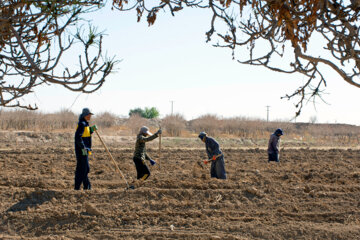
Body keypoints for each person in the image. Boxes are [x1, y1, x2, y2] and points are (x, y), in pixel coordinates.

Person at [74, 108, 97, 190]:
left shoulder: (86, 124)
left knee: (84, 168)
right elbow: (77, 137)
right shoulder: (82, 124)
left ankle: (85, 186)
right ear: (84, 115)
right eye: (88, 115)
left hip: (85, 149)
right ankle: (82, 187)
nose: (90, 116)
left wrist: (91, 130)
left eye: (90, 115)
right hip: (82, 150)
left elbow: (85, 134)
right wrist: (84, 148)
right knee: (83, 169)